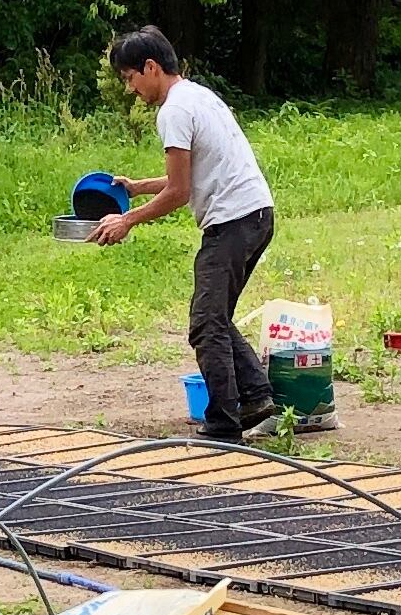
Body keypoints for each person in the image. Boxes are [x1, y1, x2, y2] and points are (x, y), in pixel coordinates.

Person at [92, 25, 279, 442]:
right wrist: (138, 187)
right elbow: (192, 176)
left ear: (151, 67)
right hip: (256, 214)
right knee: (214, 316)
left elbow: (179, 192)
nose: (131, 89)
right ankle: (256, 398)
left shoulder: (173, 111)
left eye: (130, 78)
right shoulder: (198, 96)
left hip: (232, 221)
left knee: (206, 324)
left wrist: (127, 220)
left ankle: (223, 424)